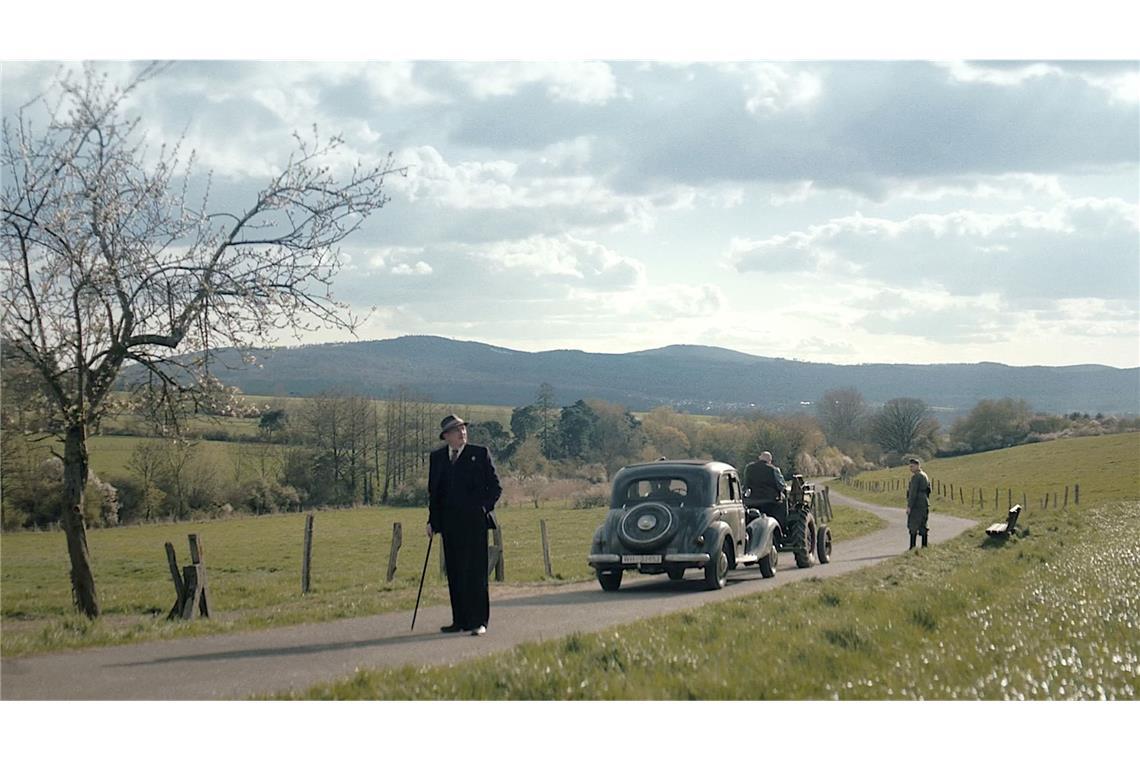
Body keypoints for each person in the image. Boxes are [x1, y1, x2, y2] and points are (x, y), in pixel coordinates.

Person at [427, 414, 502, 636]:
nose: (462, 433)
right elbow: (435, 494)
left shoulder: (479, 454)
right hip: (450, 525)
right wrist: (432, 521)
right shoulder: (438, 458)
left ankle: (479, 621)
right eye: (456, 430)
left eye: (463, 429)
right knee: (455, 572)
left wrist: (483, 509)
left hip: (475, 524)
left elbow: (495, 488)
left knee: (476, 573)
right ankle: (459, 620)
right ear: (446, 436)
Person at [742, 451, 787, 521]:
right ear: (770, 460)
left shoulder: (749, 468)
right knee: (784, 499)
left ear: (759, 458)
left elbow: (745, 485)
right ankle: (783, 525)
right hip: (770, 500)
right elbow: (781, 486)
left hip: (751, 499)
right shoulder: (773, 469)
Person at [906, 457, 932, 549]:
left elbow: (913, 493)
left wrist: (909, 506)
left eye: (912, 466)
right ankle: (924, 546)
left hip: (917, 504)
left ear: (917, 466)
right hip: (924, 502)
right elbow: (929, 490)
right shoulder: (925, 475)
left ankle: (912, 546)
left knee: (913, 524)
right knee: (923, 523)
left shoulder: (916, 477)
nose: (911, 468)